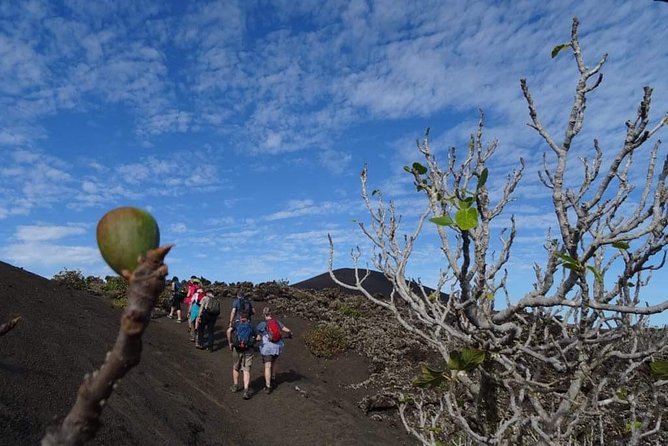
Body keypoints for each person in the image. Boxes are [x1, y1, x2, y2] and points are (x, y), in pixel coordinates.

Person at [255, 307, 292, 394]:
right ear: (271, 314)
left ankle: (268, 386)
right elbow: (287, 330)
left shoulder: (262, 324)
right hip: (277, 347)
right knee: (274, 363)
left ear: (264, 315)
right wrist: (290, 334)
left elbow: (257, 335)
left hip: (267, 348)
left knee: (267, 366)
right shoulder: (277, 322)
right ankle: (273, 379)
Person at [226, 311, 256, 400]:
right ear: (248, 318)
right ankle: (246, 390)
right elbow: (258, 337)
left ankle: (235, 386)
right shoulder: (251, 325)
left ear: (240, 317)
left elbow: (228, 331)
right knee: (246, 370)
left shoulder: (237, 323)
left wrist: (230, 343)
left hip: (237, 348)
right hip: (248, 349)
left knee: (236, 367)